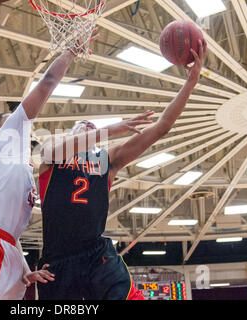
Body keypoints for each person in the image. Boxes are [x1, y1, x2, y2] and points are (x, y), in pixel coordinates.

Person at [37, 40, 207, 300]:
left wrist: (190, 83)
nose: (87, 127)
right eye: (82, 126)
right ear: (71, 133)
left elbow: (162, 126)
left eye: (91, 126)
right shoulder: (53, 150)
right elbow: (51, 152)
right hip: (58, 262)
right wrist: (106, 130)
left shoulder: (108, 158)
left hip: (97, 254)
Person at [0, 29, 99, 300]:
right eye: (11, 116)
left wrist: (24, 268)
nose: (19, 118)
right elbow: (46, 84)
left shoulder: (21, 166)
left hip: (7, 249)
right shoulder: (4, 141)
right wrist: (71, 51)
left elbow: (15, 227)